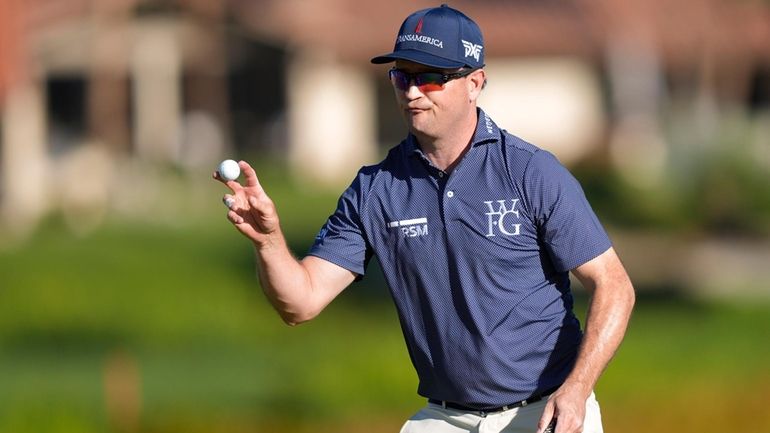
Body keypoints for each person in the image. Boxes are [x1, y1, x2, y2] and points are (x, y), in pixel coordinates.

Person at [215, 4, 635, 433]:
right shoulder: (375, 189)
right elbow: (300, 303)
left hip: (547, 409)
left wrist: (578, 389)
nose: (412, 92)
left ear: (475, 83)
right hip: (445, 417)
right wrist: (268, 241)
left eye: (430, 77)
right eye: (402, 76)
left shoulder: (530, 172)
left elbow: (614, 286)